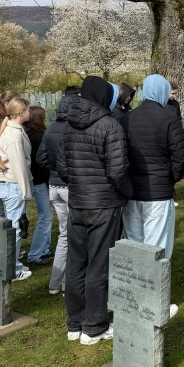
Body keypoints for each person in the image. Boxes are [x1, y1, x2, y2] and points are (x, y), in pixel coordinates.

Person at [57, 76, 132, 344]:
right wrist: (126, 192)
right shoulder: (110, 125)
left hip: (77, 203)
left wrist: (80, 184)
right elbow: (117, 170)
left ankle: (74, 323)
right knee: (98, 266)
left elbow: (63, 169)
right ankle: (94, 326)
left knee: (76, 264)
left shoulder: (69, 127)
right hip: (102, 204)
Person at [122, 75, 184, 316]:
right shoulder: (169, 119)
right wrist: (169, 177)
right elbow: (181, 156)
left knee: (136, 243)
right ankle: (155, 301)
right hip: (158, 193)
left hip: (133, 192)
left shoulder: (128, 118)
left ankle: (137, 296)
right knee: (157, 246)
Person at [0, 96, 34, 282]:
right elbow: (19, 166)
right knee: (16, 229)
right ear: (21, 113)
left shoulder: (12, 128)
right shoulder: (14, 134)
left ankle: (9, 265)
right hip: (14, 185)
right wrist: (26, 192)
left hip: (8, 184)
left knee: (12, 228)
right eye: (27, 109)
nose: (30, 112)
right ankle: (12, 269)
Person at [37, 94, 73, 295]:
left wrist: (52, 171)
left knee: (64, 236)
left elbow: (41, 157)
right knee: (75, 236)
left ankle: (55, 284)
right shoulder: (72, 130)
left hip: (53, 187)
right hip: (69, 187)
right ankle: (69, 285)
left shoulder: (50, 129)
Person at [25, 106, 54, 266]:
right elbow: (43, 163)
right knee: (45, 216)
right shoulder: (40, 136)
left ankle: (44, 248)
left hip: (32, 179)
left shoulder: (26, 133)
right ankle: (35, 253)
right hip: (40, 181)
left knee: (46, 215)